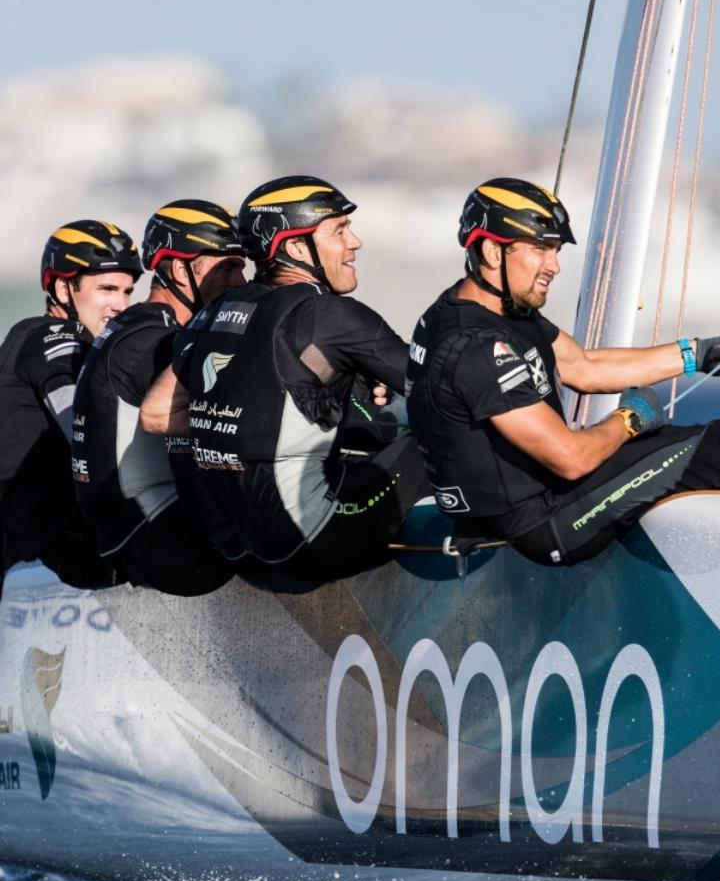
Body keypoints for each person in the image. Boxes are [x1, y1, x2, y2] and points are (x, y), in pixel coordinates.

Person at [406, 177, 720, 565]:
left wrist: (695, 355)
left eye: (556, 250)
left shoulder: (493, 310)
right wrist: (629, 419)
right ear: (493, 252)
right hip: (546, 522)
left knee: (708, 446)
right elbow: (569, 457)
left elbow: (584, 366)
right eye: (541, 249)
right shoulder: (476, 347)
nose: (555, 266)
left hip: (550, 495)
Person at [140, 175, 430, 582]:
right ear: (296, 246)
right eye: (341, 230)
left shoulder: (213, 312)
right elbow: (445, 391)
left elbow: (155, 414)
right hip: (309, 545)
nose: (356, 242)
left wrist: (254, 417)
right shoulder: (330, 315)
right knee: (430, 431)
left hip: (241, 557)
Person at [71, 199, 247, 595]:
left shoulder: (140, 325)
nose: (240, 280)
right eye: (226, 267)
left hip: (140, 532)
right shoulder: (156, 339)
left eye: (240, 266)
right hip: (162, 543)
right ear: (181, 270)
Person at [0, 220, 141, 590]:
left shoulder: (32, 335)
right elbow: (92, 434)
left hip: (41, 541)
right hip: (41, 554)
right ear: (63, 287)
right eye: (107, 289)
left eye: (127, 291)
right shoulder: (53, 338)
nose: (121, 305)